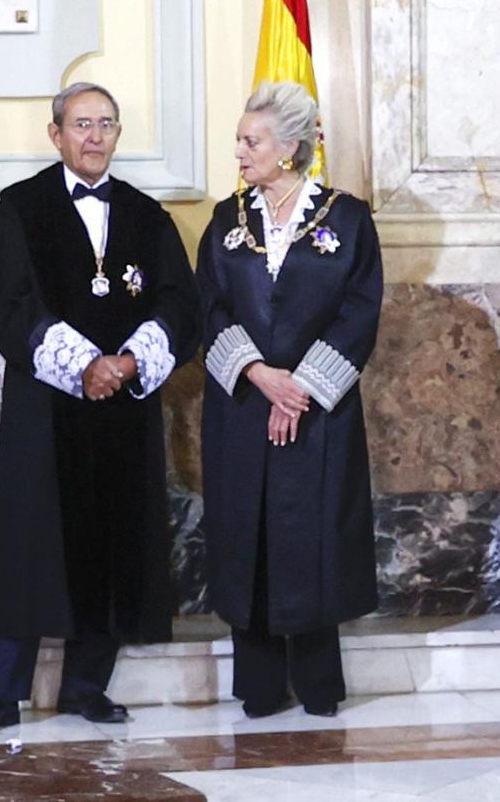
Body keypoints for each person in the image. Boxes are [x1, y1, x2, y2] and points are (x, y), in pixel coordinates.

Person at [0, 82, 197, 737]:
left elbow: (180, 306)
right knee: (26, 548)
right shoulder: (17, 212)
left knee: (111, 545)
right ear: (56, 134)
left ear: (118, 135)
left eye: (106, 125)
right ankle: (0, 695)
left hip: (122, 411)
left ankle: (86, 684)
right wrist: (82, 367)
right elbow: (9, 308)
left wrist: (125, 363)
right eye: (82, 124)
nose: (94, 136)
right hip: (46, 411)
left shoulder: (149, 218)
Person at [196, 81, 383, 719]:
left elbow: (360, 313)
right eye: (240, 140)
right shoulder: (226, 219)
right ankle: (257, 685)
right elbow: (210, 307)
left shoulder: (349, 218)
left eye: (252, 141)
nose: (240, 151)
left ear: (290, 147)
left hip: (318, 413)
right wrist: (257, 373)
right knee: (248, 536)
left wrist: (299, 386)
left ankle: (319, 685)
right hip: (244, 409)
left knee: (314, 536)